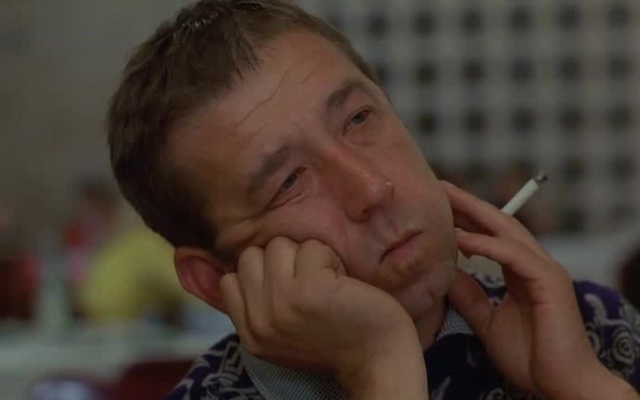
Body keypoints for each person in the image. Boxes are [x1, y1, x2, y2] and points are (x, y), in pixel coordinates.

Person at [106, 1, 640, 399]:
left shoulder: (581, 326)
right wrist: (380, 364)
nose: (371, 188)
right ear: (214, 279)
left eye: (360, 119)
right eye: (288, 182)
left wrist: (584, 387)